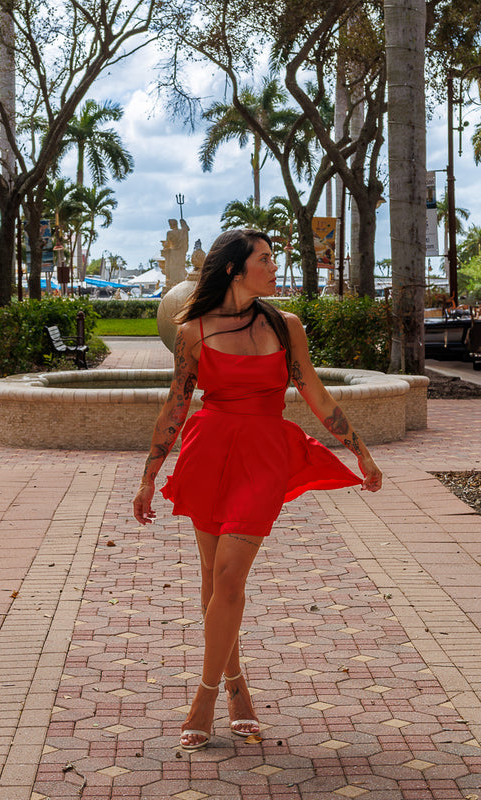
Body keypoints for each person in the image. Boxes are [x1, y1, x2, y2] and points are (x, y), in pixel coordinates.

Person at [133, 229, 382, 752]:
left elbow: (313, 390)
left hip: (264, 456)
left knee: (228, 575)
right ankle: (235, 682)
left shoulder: (286, 326)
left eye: (273, 258)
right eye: (265, 259)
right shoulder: (194, 330)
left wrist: (357, 447)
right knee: (210, 576)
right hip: (209, 451)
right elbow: (177, 405)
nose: (274, 267)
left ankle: (203, 697)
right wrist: (149, 476)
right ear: (234, 269)